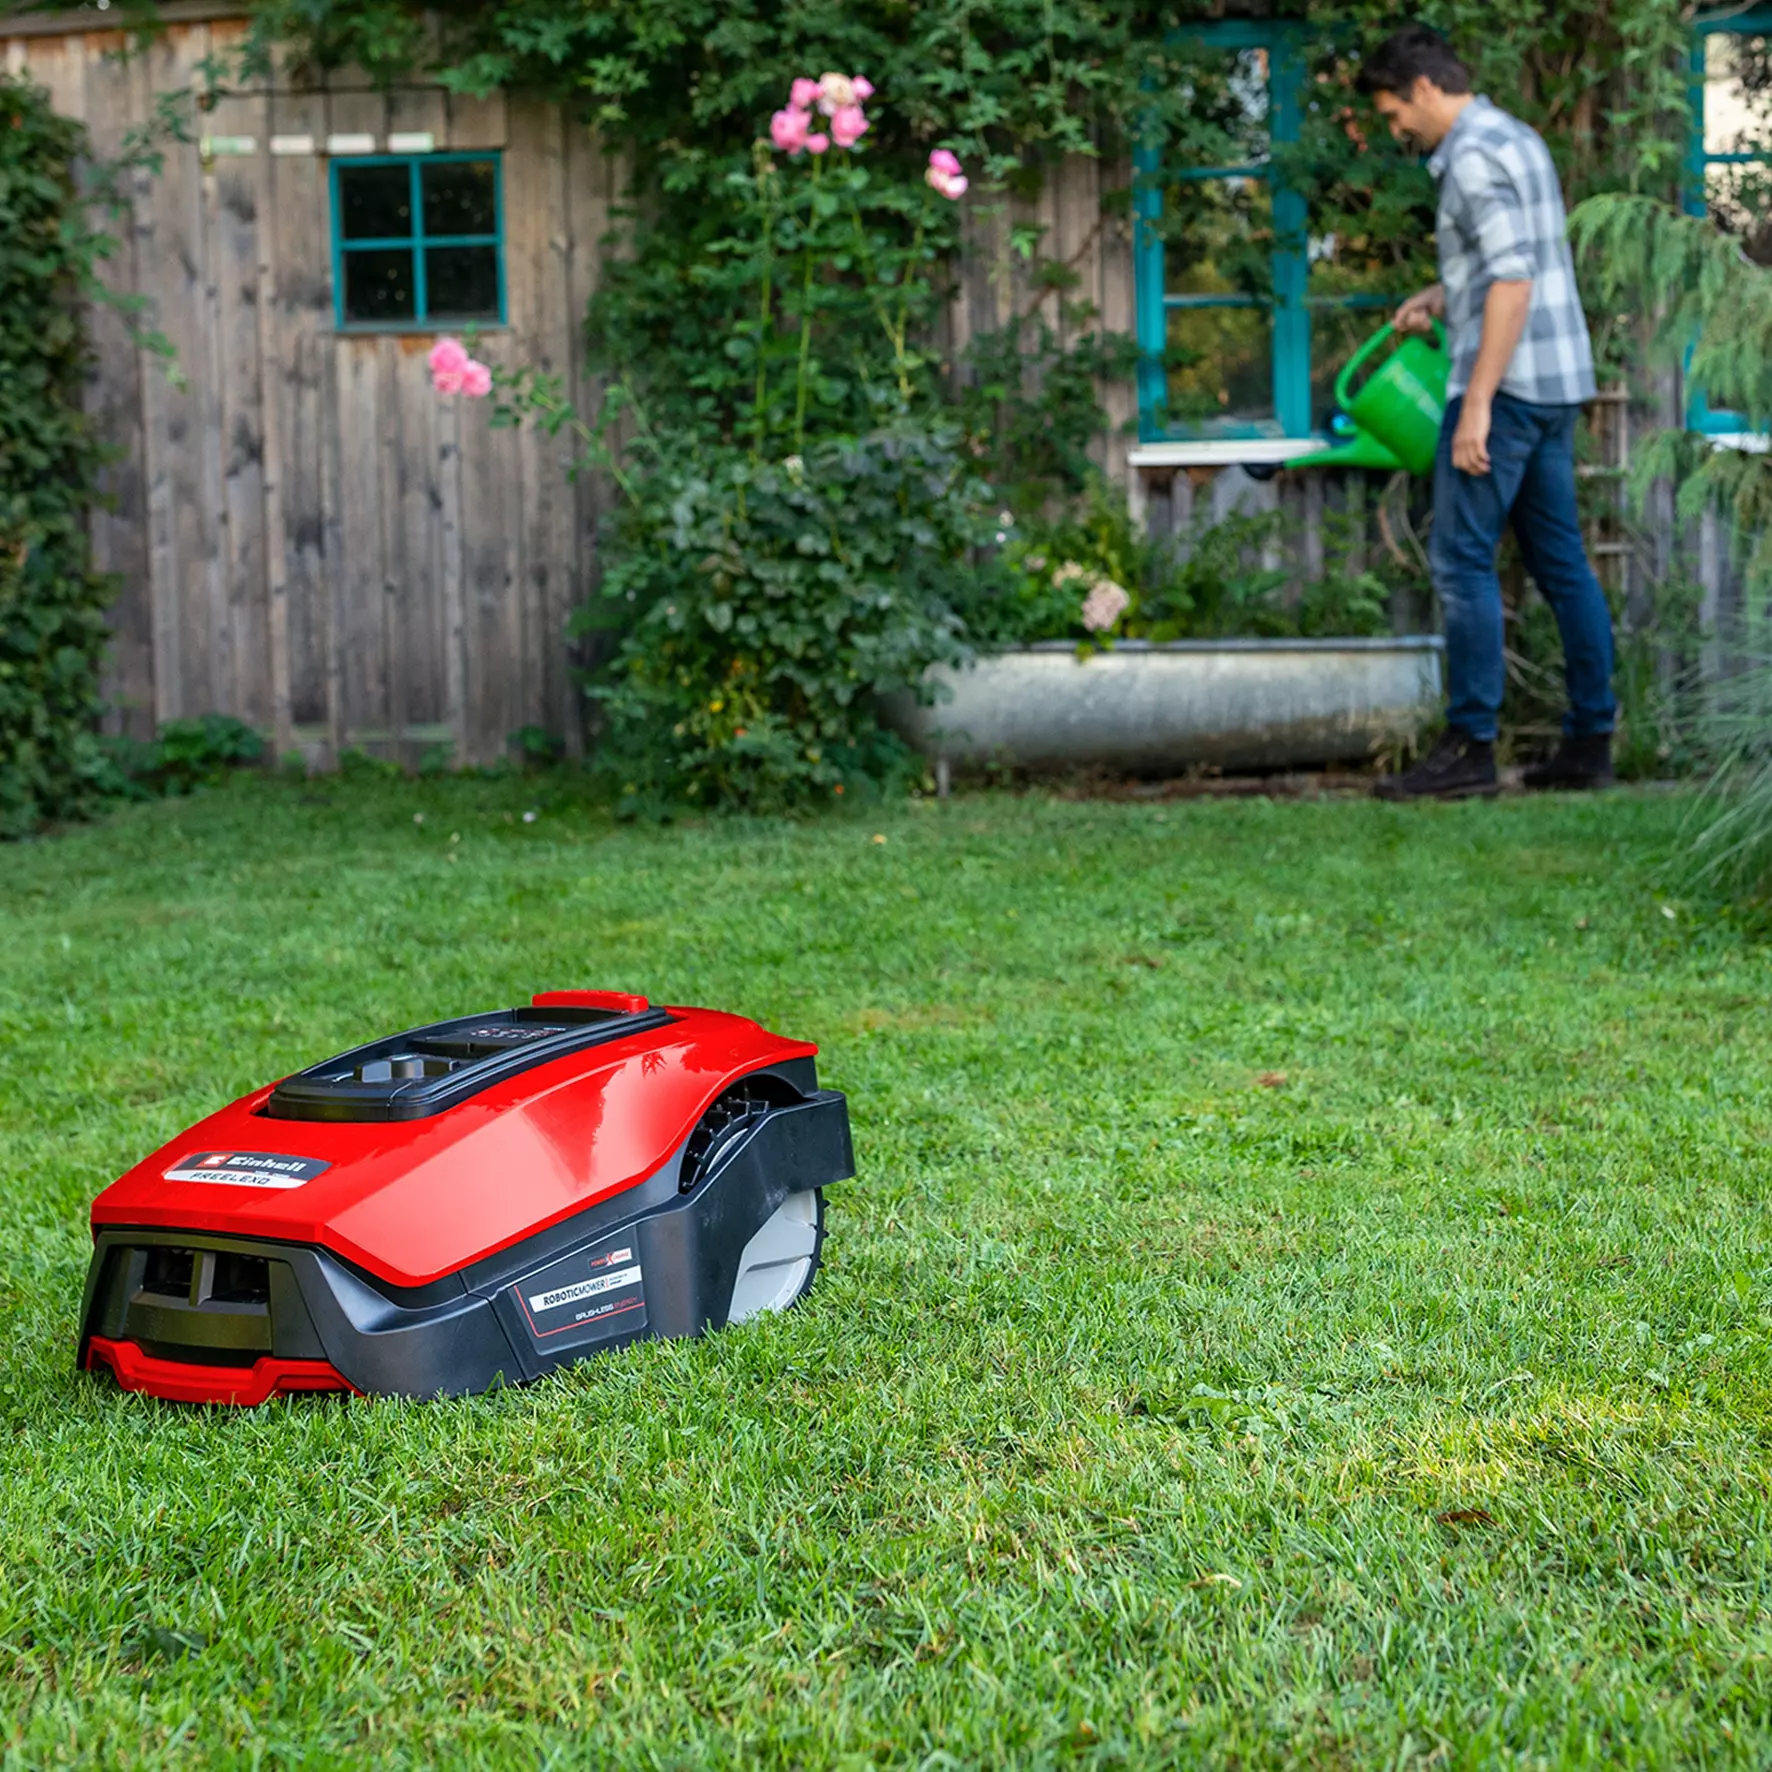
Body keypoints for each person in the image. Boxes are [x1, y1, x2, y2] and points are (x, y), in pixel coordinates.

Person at [1357, 25, 1617, 801]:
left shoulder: (1469, 158)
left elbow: (1511, 282)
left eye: (1394, 112)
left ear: (1426, 89)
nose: (1394, 128)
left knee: (1462, 562)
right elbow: (1519, 260)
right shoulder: (1518, 138)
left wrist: (1475, 406)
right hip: (1556, 380)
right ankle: (1589, 743)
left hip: (1505, 391)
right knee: (1561, 562)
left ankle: (1469, 749)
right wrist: (1443, 295)